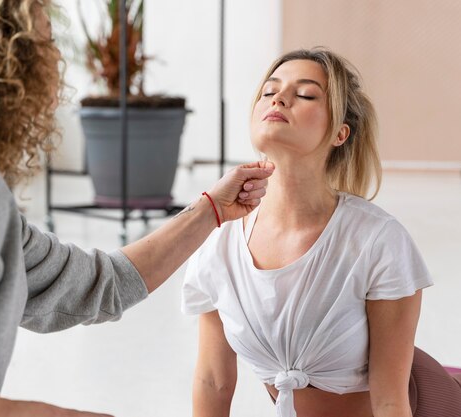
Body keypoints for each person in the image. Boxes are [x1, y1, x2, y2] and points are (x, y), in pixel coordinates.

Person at [0, 1, 275, 416]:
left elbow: (95, 284)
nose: (55, 59)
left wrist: (210, 211)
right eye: (44, 42)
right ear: (4, 58)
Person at [182, 48, 461, 417]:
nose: (279, 98)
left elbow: (391, 400)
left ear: (340, 133)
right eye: (270, 91)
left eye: (306, 94)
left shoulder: (377, 241)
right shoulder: (220, 244)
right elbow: (213, 381)